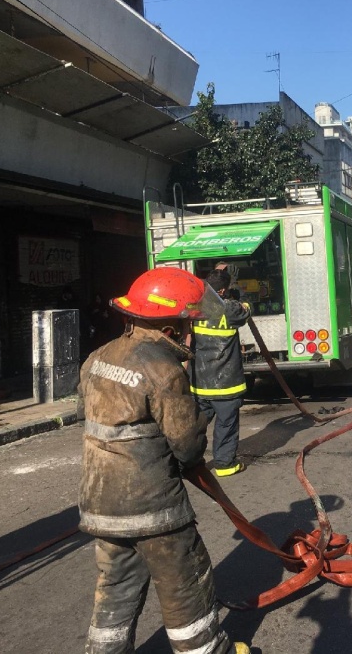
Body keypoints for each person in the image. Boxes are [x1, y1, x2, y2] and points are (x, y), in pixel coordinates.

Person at [78, 267, 250, 654]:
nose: (191, 334)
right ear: (171, 328)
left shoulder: (96, 358)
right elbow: (188, 448)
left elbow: (90, 413)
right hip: (154, 508)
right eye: (188, 325)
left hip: (101, 505)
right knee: (185, 581)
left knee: (116, 589)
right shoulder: (164, 370)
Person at [190, 268, 252, 477]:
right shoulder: (230, 309)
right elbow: (246, 309)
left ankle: (186, 462)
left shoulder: (194, 308)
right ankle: (225, 465)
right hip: (227, 383)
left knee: (195, 426)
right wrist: (239, 296)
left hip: (200, 383)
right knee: (226, 425)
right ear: (224, 290)